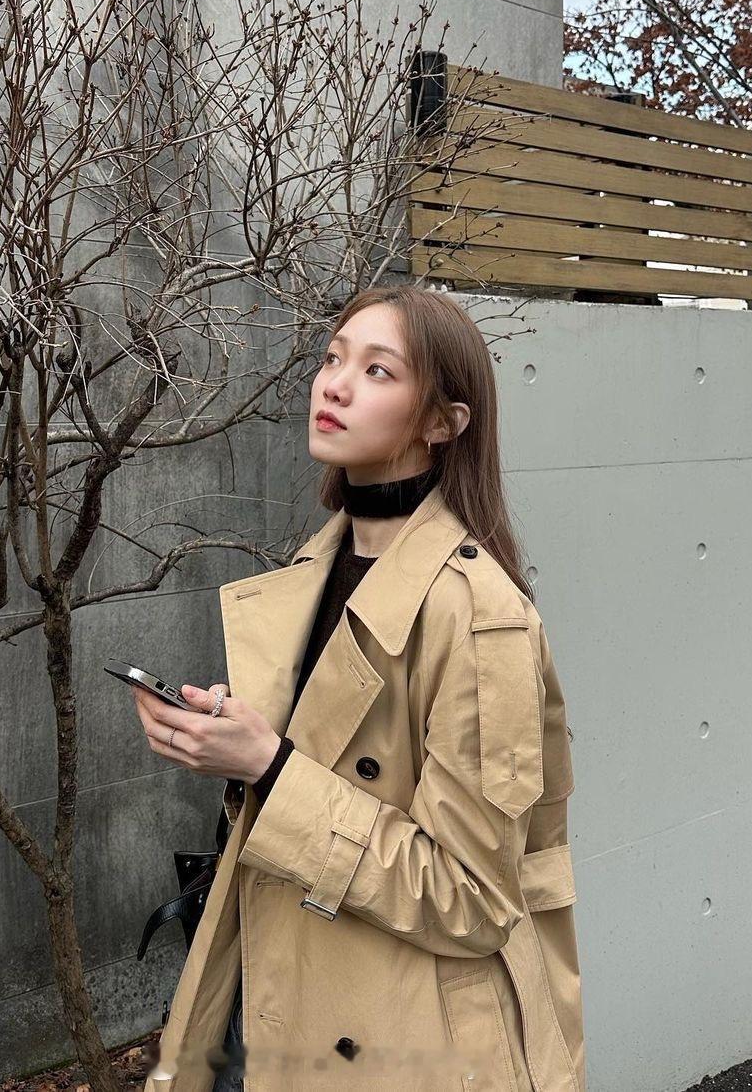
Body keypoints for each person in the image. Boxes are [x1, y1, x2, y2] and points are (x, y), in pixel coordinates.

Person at [132, 284, 586, 1092]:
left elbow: (473, 897)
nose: (334, 384)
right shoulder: (319, 563)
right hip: (276, 1003)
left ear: (443, 421)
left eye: (378, 370)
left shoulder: (479, 617)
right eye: (333, 358)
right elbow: (324, 775)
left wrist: (269, 765)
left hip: (409, 1038)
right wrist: (231, 738)